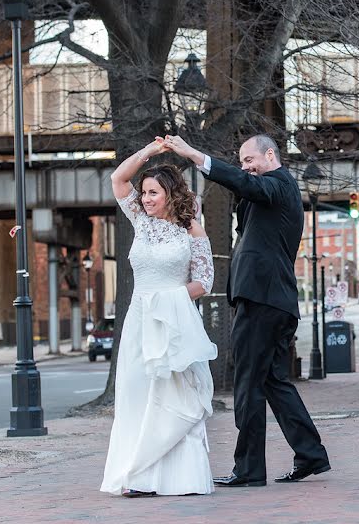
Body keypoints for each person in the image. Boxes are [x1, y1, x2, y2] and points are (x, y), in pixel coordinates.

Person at [162, 133, 331, 487]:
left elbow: (243, 183)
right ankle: (311, 454)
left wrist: (195, 155)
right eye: (241, 162)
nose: (245, 167)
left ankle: (250, 469)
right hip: (271, 299)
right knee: (272, 381)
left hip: (263, 299)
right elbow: (246, 191)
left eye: (249, 159)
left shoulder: (279, 185)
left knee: (247, 384)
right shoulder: (269, 192)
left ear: (270, 155)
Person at [100, 138, 218, 497]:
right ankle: (137, 474)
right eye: (145, 192)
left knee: (171, 396)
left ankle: (175, 477)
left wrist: (169, 300)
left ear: (170, 194)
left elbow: (205, 282)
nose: (146, 199)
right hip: (139, 322)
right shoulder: (139, 220)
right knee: (136, 395)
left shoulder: (191, 231)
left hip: (174, 323)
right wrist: (150, 153)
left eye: (153, 192)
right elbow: (118, 180)